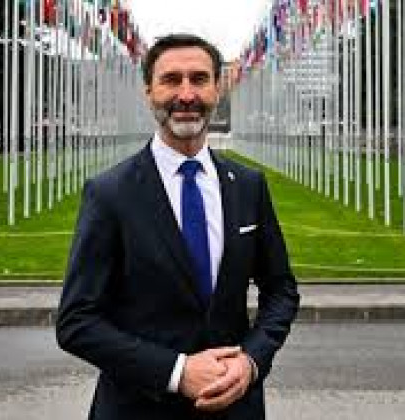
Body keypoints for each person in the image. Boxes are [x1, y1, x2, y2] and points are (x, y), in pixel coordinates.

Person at [56, 33, 300, 420]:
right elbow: (76, 322)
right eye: (171, 80)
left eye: (199, 79)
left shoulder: (248, 186)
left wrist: (251, 361)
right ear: (149, 92)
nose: (186, 94)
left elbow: (281, 290)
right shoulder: (110, 193)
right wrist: (177, 372)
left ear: (217, 88)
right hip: (138, 409)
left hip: (236, 406)